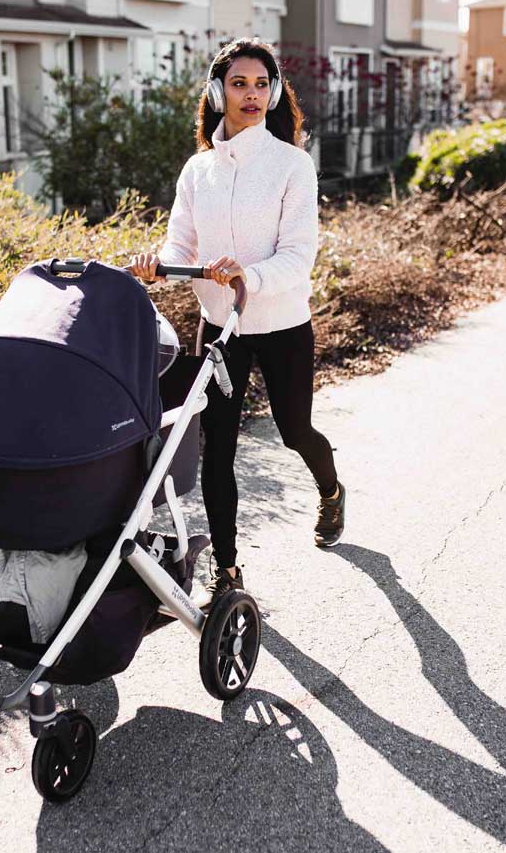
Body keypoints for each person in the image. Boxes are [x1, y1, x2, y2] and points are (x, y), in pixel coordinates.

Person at [130, 38, 345, 608]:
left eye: (260, 84)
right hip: (218, 326)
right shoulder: (197, 170)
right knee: (217, 447)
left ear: (273, 93)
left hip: (281, 324)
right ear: (216, 91)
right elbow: (181, 245)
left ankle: (330, 490)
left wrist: (248, 275)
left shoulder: (291, 165)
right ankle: (226, 572)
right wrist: (157, 265)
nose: (250, 94)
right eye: (238, 83)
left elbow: (298, 255)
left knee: (295, 430)